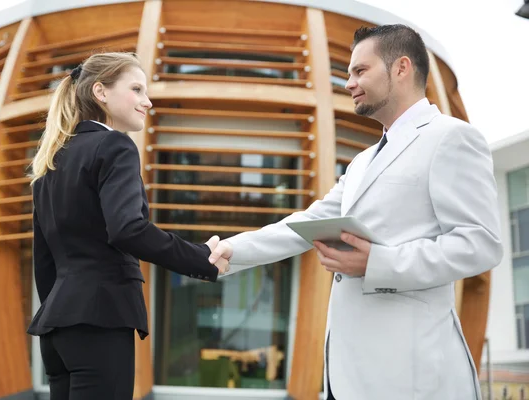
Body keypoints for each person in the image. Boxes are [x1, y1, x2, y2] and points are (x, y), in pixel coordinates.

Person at [208, 25, 502, 400]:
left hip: (413, 377)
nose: (348, 83)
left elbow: (480, 244)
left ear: (401, 68)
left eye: (359, 71)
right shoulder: (362, 161)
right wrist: (231, 251)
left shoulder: (452, 137)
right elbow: (307, 223)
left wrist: (377, 262)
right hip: (347, 377)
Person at [27, 52, 227, 400]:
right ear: (101, 92)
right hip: (101, 321)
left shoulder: (52, 163)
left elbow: (44, 263)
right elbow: (127, 229)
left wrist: (66, 309)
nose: (147, 102)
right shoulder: (115, 145)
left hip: (58, 328)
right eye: (137, 89)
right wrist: (201, 257)